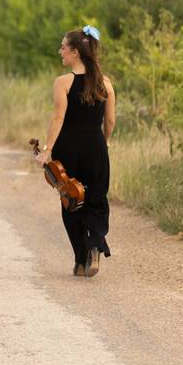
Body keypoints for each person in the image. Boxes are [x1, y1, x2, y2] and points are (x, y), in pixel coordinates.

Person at [36, 26, 116, 277]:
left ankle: (81, 261)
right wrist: (104, 142)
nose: (60, 51)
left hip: (68, 148)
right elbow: (110, 121)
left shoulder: (63, 82)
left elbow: (58, 117)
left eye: (63, 47)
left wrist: (47, 150)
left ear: (74, 52)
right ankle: (94, 244)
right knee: (96, 199)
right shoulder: (106, 83)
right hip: (95, 146)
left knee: (71, 200)